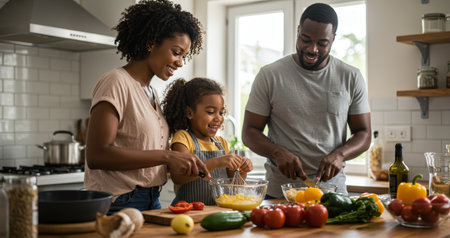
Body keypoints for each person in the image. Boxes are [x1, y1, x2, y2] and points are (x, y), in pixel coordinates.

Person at [84, 0, 210, 212]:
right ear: (151, 43)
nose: (180, 62)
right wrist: (168, 157)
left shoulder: (151, 92)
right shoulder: (116, 81)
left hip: (152, 200)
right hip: (120, 202)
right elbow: (97, 155)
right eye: (176, 52)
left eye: (184, 56)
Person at [242, 3, 371, 198]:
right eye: (305, 39)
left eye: (322, 43)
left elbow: (364, 133)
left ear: (333, 39)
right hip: (280, 195)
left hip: (333, 194)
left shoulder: (351, 77)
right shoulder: (270, 75)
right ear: (298, 31)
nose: (312, 49)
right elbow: (249, 132)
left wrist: (340, 155)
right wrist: (277, 152)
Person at [161, 77, 253, 205]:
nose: (218, 118)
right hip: (188, 212)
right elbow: (178, 177)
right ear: (189, 112)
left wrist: (242, 171)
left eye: (221, 112)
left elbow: (234, 187)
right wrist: (216, 162)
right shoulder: (183, 138)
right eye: (211, 112)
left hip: (216, 213)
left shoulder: (222, 143)